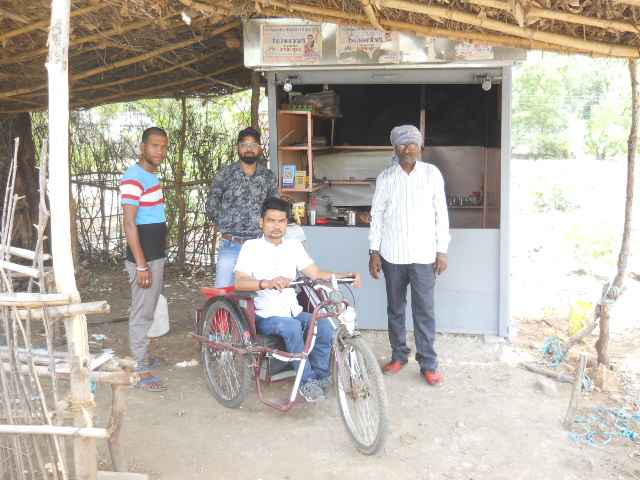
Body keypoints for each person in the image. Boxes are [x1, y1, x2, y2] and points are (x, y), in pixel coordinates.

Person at [234, 197, 361, 403]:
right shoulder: (251, 247)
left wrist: (345, 275)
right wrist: (265, 283)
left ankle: (321, 377)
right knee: (292, 327)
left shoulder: (293, 246)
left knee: (325, 325)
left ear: (287, 223)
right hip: (266, 315)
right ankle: (306, 381)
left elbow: (316, 273)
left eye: (281, 221)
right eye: (271, 221)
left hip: (292, 310)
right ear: (261, 222)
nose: (276, 226)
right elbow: (239, 282)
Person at [368, 125, 450, 386]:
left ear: (419, 146)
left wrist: (442, 249)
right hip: (392, 254)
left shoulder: (431, 175)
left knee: (424, 310)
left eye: (411, 144)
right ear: (395, 148)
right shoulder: (386, 178)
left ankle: (428, 362)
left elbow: (441, 214)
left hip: (424, 254)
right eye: (401, 145)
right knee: (395, 309)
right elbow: (377, 216)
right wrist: (374, 251)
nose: (407, 150)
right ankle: (399, 355)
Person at [120, 127, 170, 392]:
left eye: (163, 147)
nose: (159, 151)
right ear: (142, 147)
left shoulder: (151, 176)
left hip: (153, 255)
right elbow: (129, 224)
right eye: (154, 146)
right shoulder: (134, 178)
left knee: (148, 308)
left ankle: (142, 356)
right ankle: (140, 368)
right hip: (145, 258)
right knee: (142, 312)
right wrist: (141, 264)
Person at [206, 127, 279, 288]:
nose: (249, 149)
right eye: (244, 144)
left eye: (253, 144)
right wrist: (226, 222)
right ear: (238, 147)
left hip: (258, 245)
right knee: (223, 294)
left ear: (259, 148)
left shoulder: (268, 177)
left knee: (257, 296)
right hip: (231, 244)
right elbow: (211, 205)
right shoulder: (225, 174)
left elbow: (274, 208)